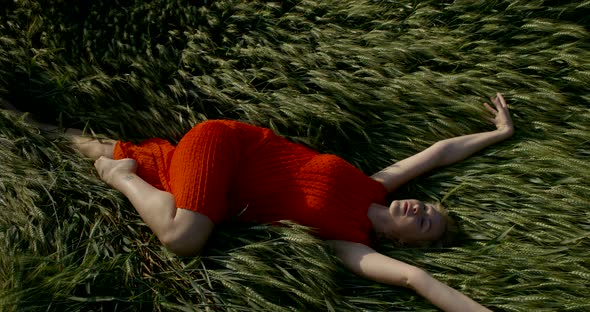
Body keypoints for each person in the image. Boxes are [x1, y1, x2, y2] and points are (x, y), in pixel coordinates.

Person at [2, 93, 513, 311]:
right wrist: (498, 132)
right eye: (426, 208)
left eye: (424, 226)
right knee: (184, 236)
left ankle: (22, 122)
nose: (420, 211)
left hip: (214, 189)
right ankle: (119, 179)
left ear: (401, 242)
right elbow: (439, 153)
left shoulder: (351, 245)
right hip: (231, 144)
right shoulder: (374, 183)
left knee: (101, 146)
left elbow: (416, 279)